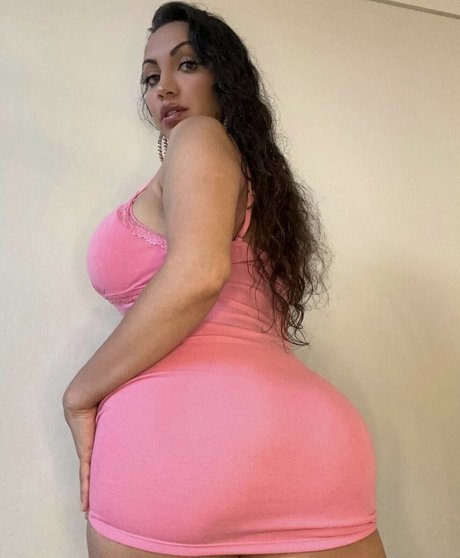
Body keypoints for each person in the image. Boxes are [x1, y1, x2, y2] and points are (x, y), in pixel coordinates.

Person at [62, 2, 387, 557]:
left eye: (186, 64)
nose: (164, 88)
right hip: (310, 448)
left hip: (176, 452)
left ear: (225, 77)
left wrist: (79, 394)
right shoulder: (260, 184)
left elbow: (199, 274)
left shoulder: (198, 137)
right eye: (150, 77)